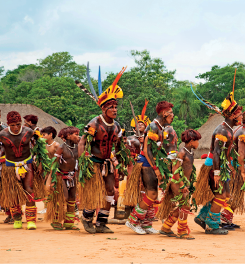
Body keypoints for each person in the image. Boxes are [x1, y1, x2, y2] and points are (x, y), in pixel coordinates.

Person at [192, 78, 243, 235]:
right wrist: (216, 172)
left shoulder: (228, 129)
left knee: (225, 195)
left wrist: (230, 167)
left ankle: (202, 217)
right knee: (220, 195)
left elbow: (226, 154)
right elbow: (217, 154)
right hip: (215, 167)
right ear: (233, 115)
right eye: (239, 115)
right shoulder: (222, 131)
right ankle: (212, 225)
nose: (241, 118)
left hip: (222, 167)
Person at [78, 68, 125, 234]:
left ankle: (101, 223)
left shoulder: (117, 126)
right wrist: (83, 159)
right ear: (104, 109)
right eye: (111, 107)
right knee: (94, 191)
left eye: (116, 107)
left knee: (110, 192)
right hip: (94, 163)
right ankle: (86, 219)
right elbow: (83, 142)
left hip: (108, 163)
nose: (115, 110)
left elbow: (120, 145)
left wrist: (121, 160)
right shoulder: (94, 123)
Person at [125, 101, 174, 235]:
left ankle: (146, 224)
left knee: (152, 194)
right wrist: (156, 168)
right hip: (147, 163)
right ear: (164, 113)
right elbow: (147, 150)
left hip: (152, 163)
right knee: (151, 194)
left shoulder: (160, 127)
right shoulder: (152, 126)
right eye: (170, 113)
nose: (172, 115)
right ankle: (133, 220)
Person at [0, 111, 38, 230]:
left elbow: (38, 147)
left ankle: (31, 221)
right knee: (13, 193)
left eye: (18, 124)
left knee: (29, 190)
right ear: (8, 125)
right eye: (12, 125)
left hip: (27, 164)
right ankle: (17, 218)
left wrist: (40, 163)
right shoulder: (1, 135)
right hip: (10, 167)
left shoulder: (29, 132)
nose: (16, 128)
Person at [158, 129, 201, 240]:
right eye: (197, 141)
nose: (198, 143)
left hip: (184, 183)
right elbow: (175, 169)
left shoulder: (190, 152)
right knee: (185, 205)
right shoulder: (182, 152)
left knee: (183, 206)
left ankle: (166, 227)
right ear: (191, 141)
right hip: (177, 182)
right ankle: (182, 231)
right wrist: (182, 185)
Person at [46, 127, 80, 230]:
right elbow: (54, 164)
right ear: (68, 136)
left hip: (72, 176)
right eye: (76, 134)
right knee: (63, 198)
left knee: (72, 198)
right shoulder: (61, 148)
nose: (78, 136)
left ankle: (69, 223)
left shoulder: (78, 147)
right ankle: (56, 220)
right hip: (60, 176)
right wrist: (51, 181)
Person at [39, 126, 60, 214]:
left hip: (55, 169)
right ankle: (46, 207)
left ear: (50, 135)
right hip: (46, 169)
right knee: (45, 188)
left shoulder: (56, 145)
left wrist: (53, 171)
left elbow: (59, 159)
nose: (42, 137)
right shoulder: (44, 145)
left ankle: (54, 207)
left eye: (44, 135)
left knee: (52, 188)